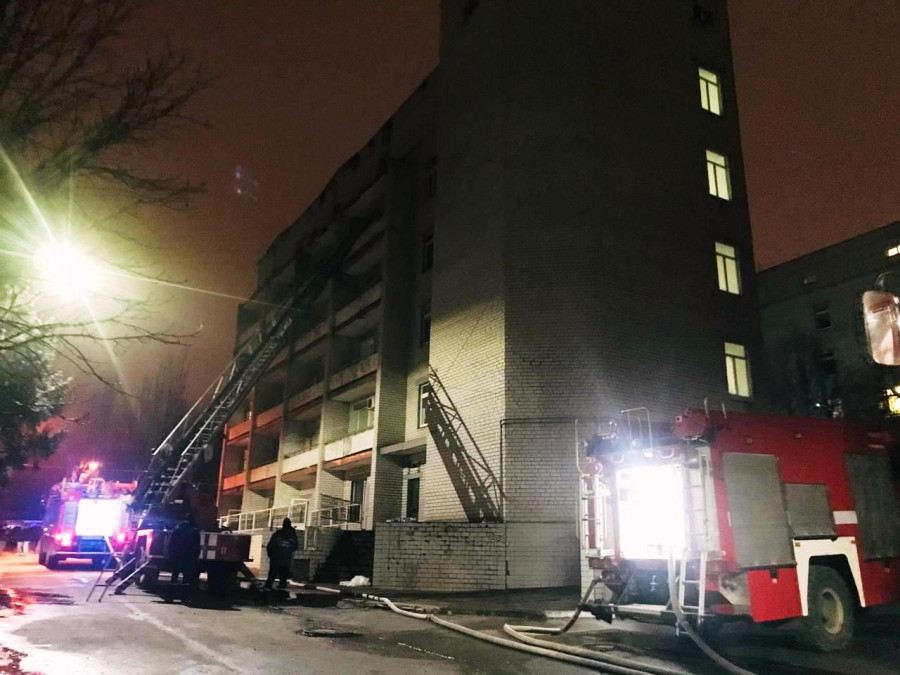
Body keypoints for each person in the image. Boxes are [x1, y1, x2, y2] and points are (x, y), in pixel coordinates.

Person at [166, 515, 201, 588]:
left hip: (176, 554)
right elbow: (197, 545)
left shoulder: (176, 530)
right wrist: (196, 555)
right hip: (188, 555)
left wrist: (170, 554)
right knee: (186, 571)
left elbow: (171, 543)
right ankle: (185, 585)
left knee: (175, 571)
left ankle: (173, 584)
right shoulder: (194, 532)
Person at [264, 518, 298, 590]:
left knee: (272, 574)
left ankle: (267, 589)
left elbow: (270, 546)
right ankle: (281, 590)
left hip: (276, 558)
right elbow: (295, 546)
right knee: (283, 575)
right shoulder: (292, 535)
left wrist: (271, 556)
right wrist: (288, 552)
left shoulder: (277, 534)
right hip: (286, 558)